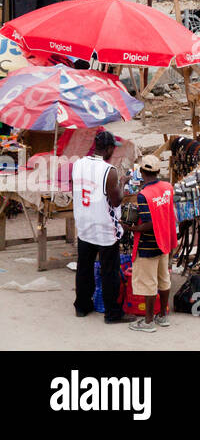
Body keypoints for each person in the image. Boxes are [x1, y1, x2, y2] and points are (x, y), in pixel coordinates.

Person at [71, 130, 127, 324]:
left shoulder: (78, 164)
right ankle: (112, 313)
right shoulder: (109, 171)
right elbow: (117, 201)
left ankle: (81, 306)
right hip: (104, 228)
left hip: (84, 223)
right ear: (110, 148)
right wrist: (123, 183)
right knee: (109, 271)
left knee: (84, 267)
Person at [126, 155, 176, 333]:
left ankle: (148, 321)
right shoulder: (168, 187)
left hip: (148, 244)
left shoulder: (143, 195)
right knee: (164, 279)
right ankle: (162, 316)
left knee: (148, 283)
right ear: (157, 171)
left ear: (141, 172)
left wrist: (130, 228)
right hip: (164, 242)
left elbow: (147, 224)